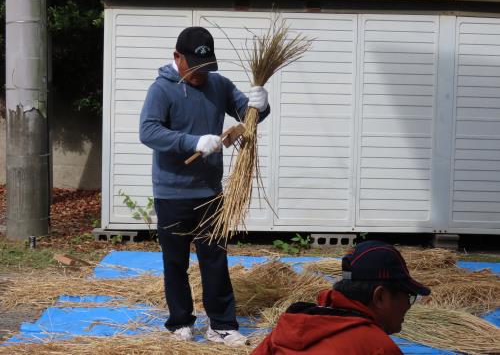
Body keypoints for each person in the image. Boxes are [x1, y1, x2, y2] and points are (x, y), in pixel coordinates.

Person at [139, 26, 270, 347]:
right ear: (176, 57)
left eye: (207, 67)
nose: (201, 75)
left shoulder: (218, 84)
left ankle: (222, 325)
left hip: (210, 194)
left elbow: (248, 115)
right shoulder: (162, 90)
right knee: (176, 262)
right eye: (194, 68)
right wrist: (192, 141)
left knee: (215, 259)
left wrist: (261, 106)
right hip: (171, 193)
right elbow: (148, 132)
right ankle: (180, 322)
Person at [252, 240, 431, 354]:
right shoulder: (378, 348)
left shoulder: (287, 327)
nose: (408, 306)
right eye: (408, 296)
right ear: (380, 296)